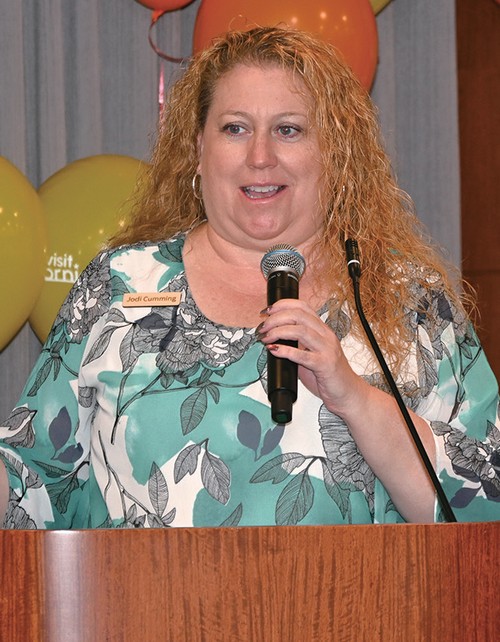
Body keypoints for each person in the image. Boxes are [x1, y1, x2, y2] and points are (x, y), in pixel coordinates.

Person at [0, 27, 498, 529]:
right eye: (235, 128)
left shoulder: (409, 301)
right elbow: (32, 480)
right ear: (199, 148)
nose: (260, 156)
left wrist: (355, 398)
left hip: (359, 586)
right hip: (136, 586)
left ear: (334, 153)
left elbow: (485, 504)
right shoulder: (117, 286)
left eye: (289, 130)